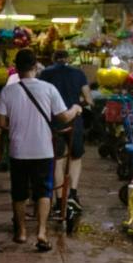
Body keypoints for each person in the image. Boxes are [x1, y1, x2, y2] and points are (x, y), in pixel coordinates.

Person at [0, 48, 76, 251]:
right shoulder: (48, 89)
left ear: (16, 67)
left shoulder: (7, 91)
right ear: (35, 66)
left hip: (18, 150)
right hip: (43, 150)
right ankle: (41, 232)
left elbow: (1, 122)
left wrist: (16, 126)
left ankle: (21, 232)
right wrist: (76, 108)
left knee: (19, 192)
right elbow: (64, 117)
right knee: (43, 191)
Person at [37, 51, 90, 218]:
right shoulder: (79, 73)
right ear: (68, 59)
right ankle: (73, 195)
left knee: (58, 160)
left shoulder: (45, 74)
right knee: (76, 157)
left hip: (54, 121)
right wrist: (78, 104)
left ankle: (60, 201)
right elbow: (89, 99)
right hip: (74, 120)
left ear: (53, 59)